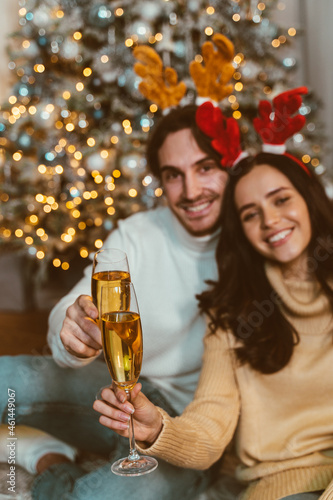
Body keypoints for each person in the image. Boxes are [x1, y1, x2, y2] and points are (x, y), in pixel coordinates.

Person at [0, 104, 236, 499]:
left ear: (231, 167)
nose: (192, 191)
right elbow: (76, 300)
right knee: (7, 379)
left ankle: (47, 460)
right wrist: (73, 328)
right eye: (173, 175)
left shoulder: (254, 242)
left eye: (206, 167)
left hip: (184, 428)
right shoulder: (140, 234)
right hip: (115, 391)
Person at [94, 151, 333, 500]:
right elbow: (210, 426)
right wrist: (158, 428)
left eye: (281, 200)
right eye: (251, 214)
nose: (270, 220)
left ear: (310, 200)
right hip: (282, 488)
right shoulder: (236, 315)